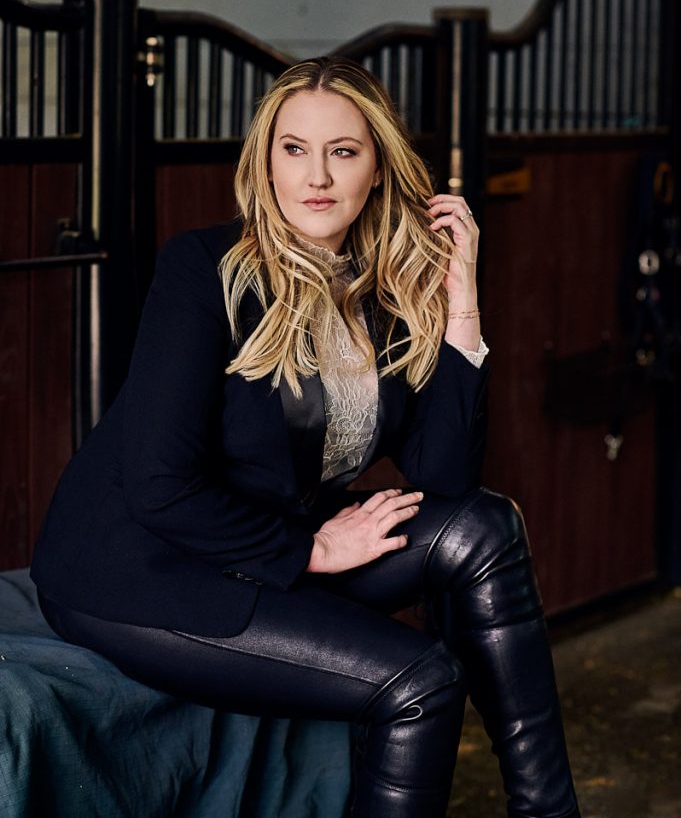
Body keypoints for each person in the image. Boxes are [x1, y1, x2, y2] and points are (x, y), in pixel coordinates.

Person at [31, 57, 581, 817]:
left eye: (342, 151)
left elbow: (444, 477)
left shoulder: (382, 288)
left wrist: (462, 303)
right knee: (421, 682)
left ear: (378, 169)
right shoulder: (205, 270)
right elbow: (158, 485)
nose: (316, 176)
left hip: (262, 539)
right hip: (141, 570)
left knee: (482, 526)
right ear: (266, 165)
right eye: (294, 149)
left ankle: (550, 811)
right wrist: (312, 550)